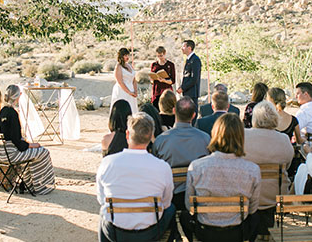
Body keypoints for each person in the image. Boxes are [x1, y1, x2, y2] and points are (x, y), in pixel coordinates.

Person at [97, 112, 175, 242]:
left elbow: (101, 199)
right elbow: (166, 202)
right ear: (151, 136)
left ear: (128, 135)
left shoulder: (107, 163)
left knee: (103, 212)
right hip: (151, 232)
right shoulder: (162, 167)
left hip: (116, 232)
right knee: (171, 209)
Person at [185, 113, 261, 241]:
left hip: (205, 231)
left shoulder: (197, 166)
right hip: (237, 232)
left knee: (183, 216)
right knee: (257, 217)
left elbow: (189, 205)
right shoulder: (252, 170)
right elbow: (253, 208)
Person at [152, 97, 210, 241]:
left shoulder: (161, 140)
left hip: (172, 198)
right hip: (198, 197)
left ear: (173, 111)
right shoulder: (205, 139)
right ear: (194, 115)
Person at [244, 101, 294, 238]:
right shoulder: (283, 139)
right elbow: (288, 164)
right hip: (276, 193)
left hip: (248, 192)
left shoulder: (243, 136)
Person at [0, 85, 55, 195]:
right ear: (18, 96)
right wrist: (30, 145)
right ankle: (39, 185)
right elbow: (16, 140)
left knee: (34, 154)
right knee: (43, 152)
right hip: (12, 153)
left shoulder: (2, 111)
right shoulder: (12, 113)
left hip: (2, 152)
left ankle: (29, 183)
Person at [110, 48, 138, 115]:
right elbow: (120, 82)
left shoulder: (129, 66)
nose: (127, 57)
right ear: (121, 56)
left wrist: (135, 91)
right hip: (122, 90)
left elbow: (134, 80)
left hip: (131, 89)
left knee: (132, 109)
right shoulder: (118, 66)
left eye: (128, 55)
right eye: (125, 55)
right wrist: (129, 92)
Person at [178, 39, 202, 111]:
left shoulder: (195, 60)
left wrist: (183, 88)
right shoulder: (189, 59)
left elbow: (194, 78)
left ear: (189, 48)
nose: (182, 48)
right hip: (187, 92)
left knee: (192, 113)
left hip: (192, 93)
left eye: (183, 46)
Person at [150, 46, 176, 110]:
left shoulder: (170, 65)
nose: (159, 57)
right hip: (156, 91)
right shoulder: (154, 65)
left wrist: (164, 80)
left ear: (165, 54)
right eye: (158, 56)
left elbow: (173, 81)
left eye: (161, 55)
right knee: (156, 110)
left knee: (168, 109)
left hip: (166, 91)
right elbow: (151, 81)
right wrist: (152, 79)